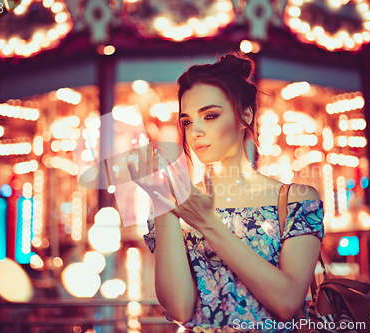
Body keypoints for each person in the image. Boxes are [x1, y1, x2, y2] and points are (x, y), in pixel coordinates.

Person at [127, 53, 324, 332]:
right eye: (186, 121)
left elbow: (287, 302)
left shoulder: (297, 199)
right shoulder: (179, 202)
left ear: (245, 114)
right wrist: (161, 199)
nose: (195, 130)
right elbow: (180, 309)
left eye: (210, 115)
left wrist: (207, 223)